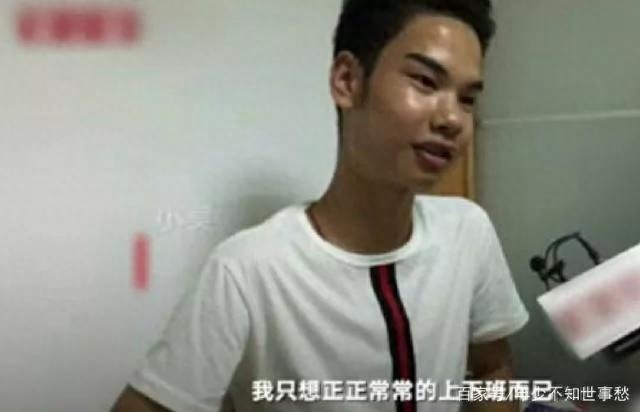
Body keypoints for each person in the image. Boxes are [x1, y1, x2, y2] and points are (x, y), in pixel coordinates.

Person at [112, 0, 529, 411]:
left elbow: (492, 368)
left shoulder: (467, 232)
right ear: (347, 81)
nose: (452, 119)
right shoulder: (248, 271)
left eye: (467, 99)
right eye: (425, 81)